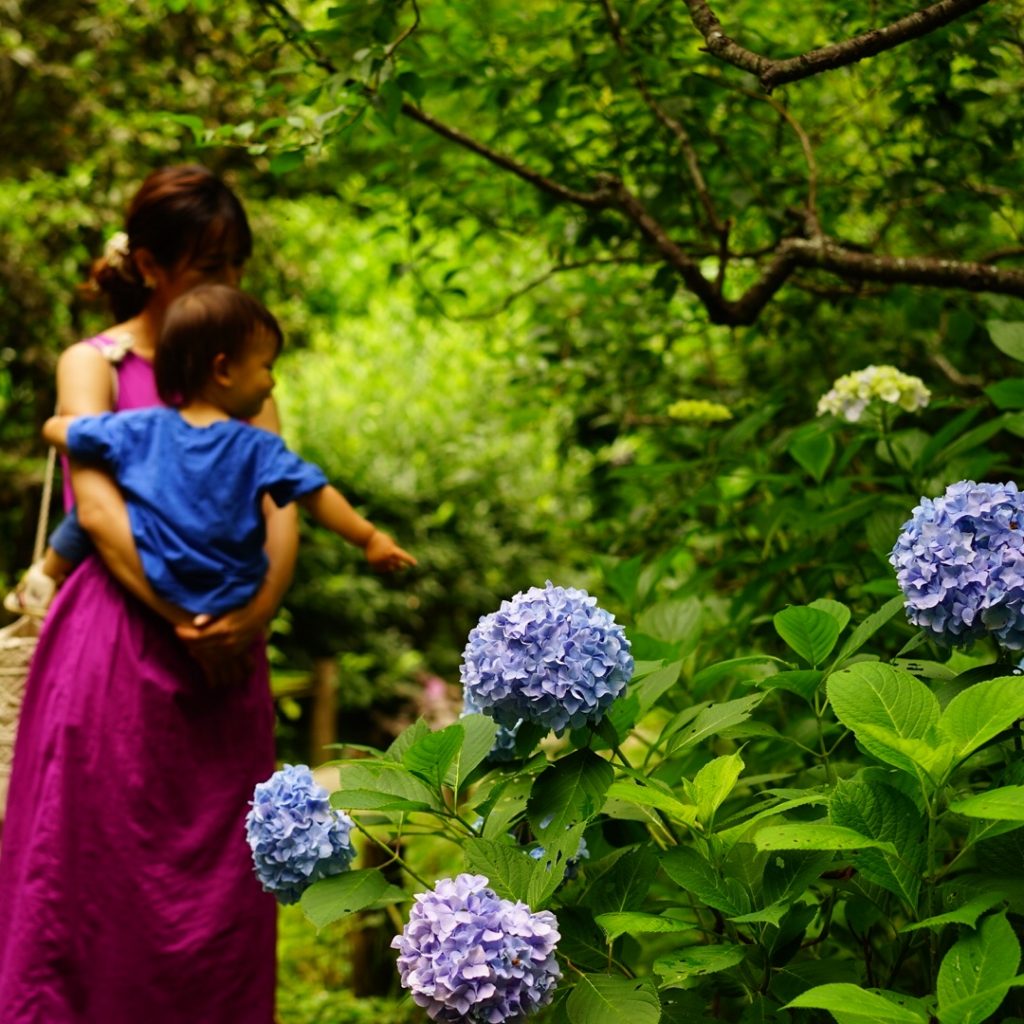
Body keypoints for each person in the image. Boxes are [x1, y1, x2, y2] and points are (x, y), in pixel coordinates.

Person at [0, 165, 316, 1023]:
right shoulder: (95, 364)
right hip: (114, 652)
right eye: (207, 266)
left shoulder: (236, 368)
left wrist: (252, 619)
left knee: (220, 900)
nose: (226, 285)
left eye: (234, 266)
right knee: (89, 883)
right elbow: (97, 511)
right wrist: (185, 616)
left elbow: (279, 503)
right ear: (147, 262)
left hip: (224, 660)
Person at [41, 284, 416, 618]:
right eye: (267, 367)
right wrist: (369, 538)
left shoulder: (140, 428)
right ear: (223, 370)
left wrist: (58, 427)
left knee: (118, 492)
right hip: (227, 596)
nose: (272, 381)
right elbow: (316, 495)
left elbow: (63, 432)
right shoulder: (258, 448)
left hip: (157, 582)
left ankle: (44, 575)